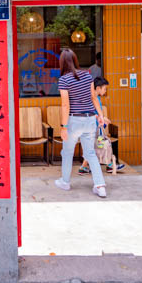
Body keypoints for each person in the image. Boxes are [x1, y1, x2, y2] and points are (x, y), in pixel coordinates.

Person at [55, 48, 110, 198]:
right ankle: (100, 186)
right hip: (90, 119)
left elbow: (65, 105)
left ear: (62, 63)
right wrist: (100, 115)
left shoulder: (64, 79)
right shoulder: (87, 75)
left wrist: (63, 127)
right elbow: (93, 98)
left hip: (74, 120)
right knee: (90, 153)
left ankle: (65, 182)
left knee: (67, 152)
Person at [78, 77, 125, 175]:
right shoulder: (90, 98)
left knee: (95, 147)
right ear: (98, 88)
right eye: (105, 89)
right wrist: (100, 118)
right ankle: (110, 165)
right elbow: (88, 113)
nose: (105, 91)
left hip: (96, 127)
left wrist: (103, 118)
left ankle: (85, 167)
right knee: (104, 144)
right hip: (92, 127)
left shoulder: (96, 98)